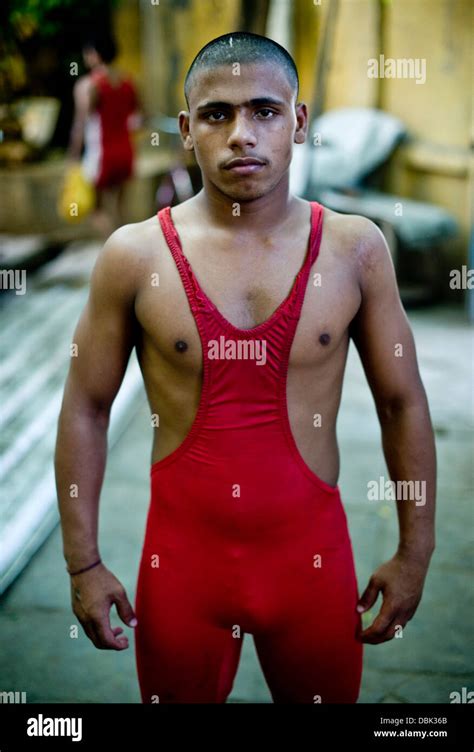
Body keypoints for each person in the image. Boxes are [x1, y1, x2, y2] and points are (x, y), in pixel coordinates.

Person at [55, 32, 436, 703]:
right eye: (216, 114)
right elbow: (85, 407)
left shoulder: (355, 250)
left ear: (299, 120)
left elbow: (401, 402)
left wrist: (415, 550)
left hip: (310, 567)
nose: (241, 135)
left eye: (263, 110)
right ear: (185, 129)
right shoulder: (133, 255)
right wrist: (82, 563)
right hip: (182, 572)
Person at [67, 31, 142, 237]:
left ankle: (118, 254)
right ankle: (129, 248)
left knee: (96, 211)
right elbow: (139, 118)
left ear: (93, 54)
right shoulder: (128, 82)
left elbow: (80, 124)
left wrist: (73, 157)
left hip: (101, 155)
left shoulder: (88, 85)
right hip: (126, 152)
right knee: (120, 209)